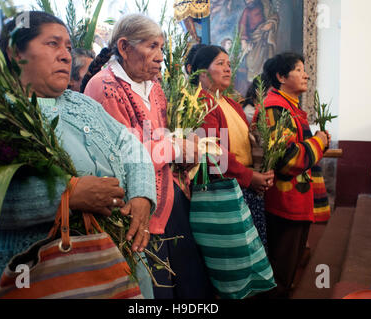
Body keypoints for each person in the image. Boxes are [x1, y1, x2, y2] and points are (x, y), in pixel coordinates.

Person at [0, 11, 157, 299]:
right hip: (30, 279)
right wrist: (67, 194)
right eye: (52, 44)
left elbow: (130, 144)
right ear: (14, 52)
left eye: (68, 47)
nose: (65, 56)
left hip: (115, 270)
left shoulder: (83, 104)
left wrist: (142, 195)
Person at [81, 14, 214, 299]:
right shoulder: (104, 87)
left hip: (171, 198)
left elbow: (158, 139)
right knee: (157, 286)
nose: (160, 57)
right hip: (138, 206)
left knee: (189, 285)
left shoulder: (155, 88)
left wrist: (186, 151)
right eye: (152, 46)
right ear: (125, 46)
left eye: (162, 48)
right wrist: (177, 147)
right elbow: (122, 155)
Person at [259, 52, 330, 298]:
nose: (306, 75)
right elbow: (289, 161)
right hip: (284, 203)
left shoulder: (290, 107)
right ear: (280, 76)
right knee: (280, 274)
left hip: (295, 200)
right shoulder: (276, 108)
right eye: (299, 70)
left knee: (287, 272)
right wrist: (319, 141)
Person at [190, 44, 274, 249]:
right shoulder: (203, 103)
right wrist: (249, 176)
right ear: (201, 72)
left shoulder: (231, 103)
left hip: (245, 183)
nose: (228, 69)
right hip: (225, 189)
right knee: (239, 251)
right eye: (220, 64)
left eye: (229, 64)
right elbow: (211, 154)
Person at [236, 0, 278, 94]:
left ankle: (266, 92)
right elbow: (242, 26)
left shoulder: (265, 6)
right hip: (253, 41)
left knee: (265, 66)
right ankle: (253, 93)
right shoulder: (247, 11)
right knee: (251, 65)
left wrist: (270, 24)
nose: (247, 1)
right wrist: (244, 42)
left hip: (264, 41)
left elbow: (274, 16)